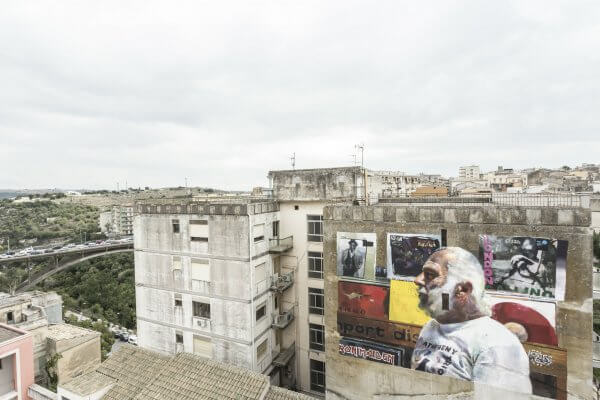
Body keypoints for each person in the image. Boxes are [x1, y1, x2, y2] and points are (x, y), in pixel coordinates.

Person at [411, 247, 532, 393]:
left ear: (463, 290)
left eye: (430, 274)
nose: (417, 280)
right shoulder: (432, 326)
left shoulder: (497, 344)